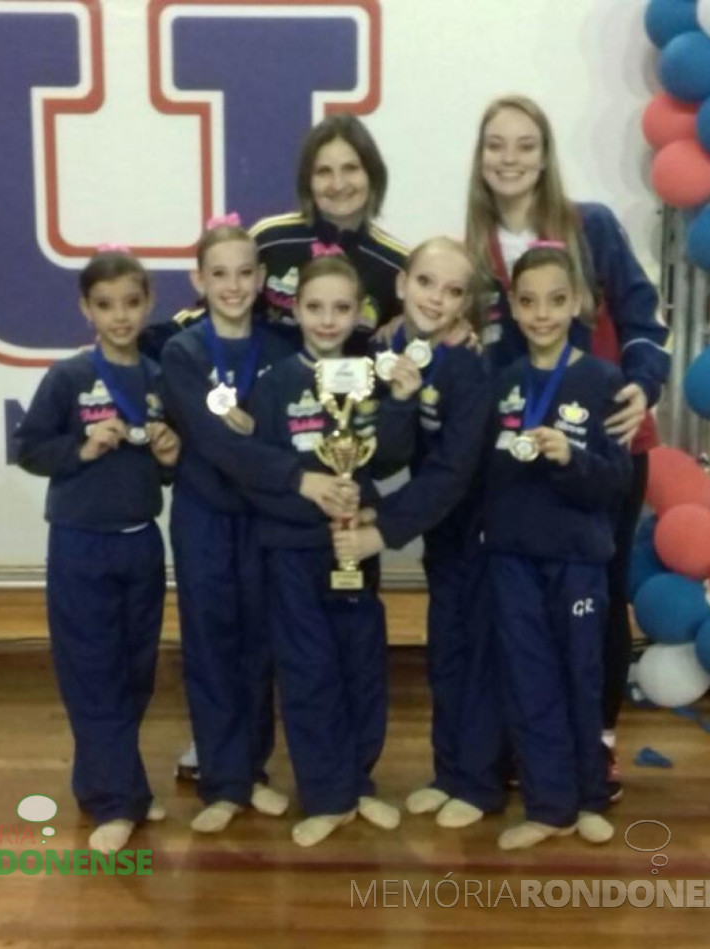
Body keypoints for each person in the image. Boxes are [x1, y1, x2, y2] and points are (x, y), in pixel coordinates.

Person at [466, 94, 669, 798]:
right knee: (525, 602)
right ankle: (538, 742)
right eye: (497, 144)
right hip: (521, 461)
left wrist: (644, 385)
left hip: (609, 446)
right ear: (480, 155)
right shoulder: (474, 252)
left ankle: (599, 742)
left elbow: (646, 319)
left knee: (601, 597)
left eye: (525, 144)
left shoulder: (595, 228)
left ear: (546, 154)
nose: (510, 158)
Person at [159, 219, 357, 833]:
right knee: (213, 644)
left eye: (246, 272)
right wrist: (297, 479)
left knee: (260, 647)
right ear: (199, 279)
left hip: (267, 521)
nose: (234, 285)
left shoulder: (279, 347)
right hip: (205, 518)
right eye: (219, 273)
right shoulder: (182, 352)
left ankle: (255, 771)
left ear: (264, 279)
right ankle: (223, 781)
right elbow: (220, 446)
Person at [244, 254, 420, 847]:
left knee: (361, 664)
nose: (327, 320)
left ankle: (358, 784)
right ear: (295, 310)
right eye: (315, 308)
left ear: (360, 313)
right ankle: (324, 794)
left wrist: (399, 400)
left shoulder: (370, 376)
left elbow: (392, 457)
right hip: (293, 552)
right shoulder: (275, 384)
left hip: (357, 548)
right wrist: (313, 498)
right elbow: (257, 473)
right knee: (308, 670)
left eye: (341, 309)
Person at [14, 249, 181, 853]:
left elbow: (164, 472)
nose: (120, 317)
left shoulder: (160, 376)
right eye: (106, 305)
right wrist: (80, 449)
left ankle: (113, 785)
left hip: (141, 544)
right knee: (93, 675)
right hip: (81, 544)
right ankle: (116, 801)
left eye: (131, 304)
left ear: (148, 306)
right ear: (86, 308)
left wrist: (168, 458)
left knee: (136, 675)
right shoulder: (68, 378)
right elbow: (28, 448)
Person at [331, 237, 501, 827]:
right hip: (441, 532)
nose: (437, 298)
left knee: (474, 655)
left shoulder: (471, 367)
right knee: (446, 653)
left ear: (466, 306)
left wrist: (384, 530)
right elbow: (383, 450)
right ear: (402, 285)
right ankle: (448, 771)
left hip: (480, 527)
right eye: (427, 283)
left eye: (454, 291)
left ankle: (478, 785)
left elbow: (453, 472)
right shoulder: (385, 348)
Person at [484, 243, 630, 850]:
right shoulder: (505, 382)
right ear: (513, 309)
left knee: (581, 676)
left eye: (555, 300)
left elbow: (617, 483)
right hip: (514, 557)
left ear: (576, 304)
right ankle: (548, 806)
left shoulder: (602, 381)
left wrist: (572, 458)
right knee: (529, 678)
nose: (542, 313)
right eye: (528, 302)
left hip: (577, 559)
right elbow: (484, 473)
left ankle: (590, 797)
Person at [249, 113, 408, 353]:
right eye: (324, 171)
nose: (338, 184)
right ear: (307, 181)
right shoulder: (269, 241)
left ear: (372, 174)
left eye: (351, 168)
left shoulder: (397, 264)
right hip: (268, 387)